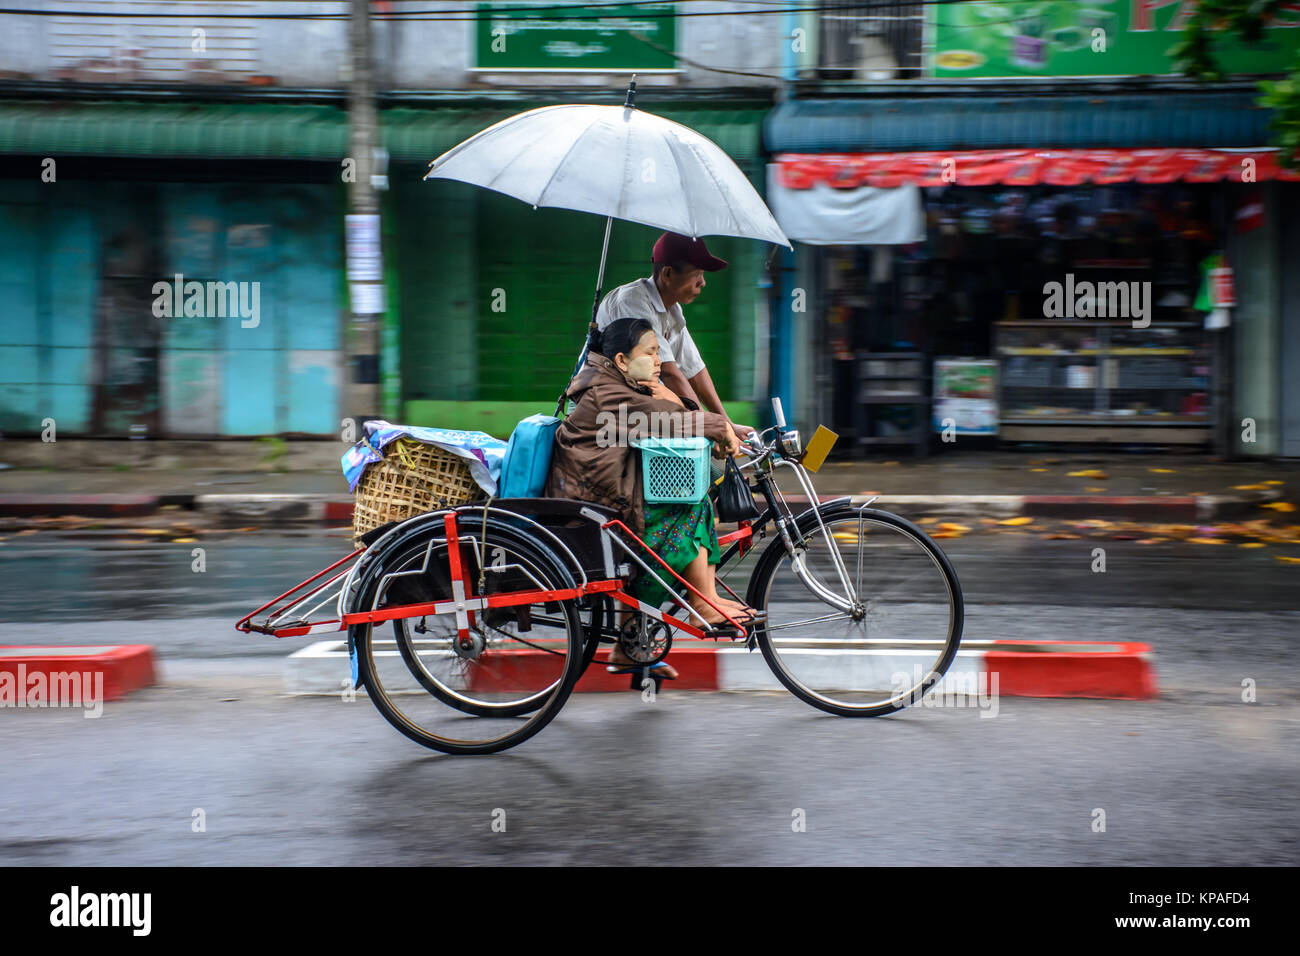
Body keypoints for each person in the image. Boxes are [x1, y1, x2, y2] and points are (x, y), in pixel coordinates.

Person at [546, 317, 760, 680]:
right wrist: (719, 426)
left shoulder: (617, 385)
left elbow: (664, 418)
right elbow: (664, 420)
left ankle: (636, 640)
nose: (659, 360)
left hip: (605, 502)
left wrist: (685, 408)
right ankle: (701, 604)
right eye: (651, 352)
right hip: (591, 517)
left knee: (691, 495)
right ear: (622, 361)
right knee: (690, 508)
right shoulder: (606, 393)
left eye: (659, 351)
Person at [591, 231, 755, 446]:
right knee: (700, 473)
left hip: (639, 413)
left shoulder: (672, 310)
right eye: (696, 274)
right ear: (667, 274)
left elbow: (693, 369)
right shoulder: (631, 302)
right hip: (609, 419)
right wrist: (710, 429)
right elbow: (670, 373)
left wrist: (727, 424)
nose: (702, 283)